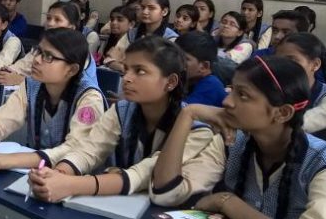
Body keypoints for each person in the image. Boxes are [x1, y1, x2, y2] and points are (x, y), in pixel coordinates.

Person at [151, 56, 326, 219]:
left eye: (243, 95)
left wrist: (226, 201)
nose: (226, 101)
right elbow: (166, 194)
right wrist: (188, 115)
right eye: (232, 90)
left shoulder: (323, 163)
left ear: (283, 113)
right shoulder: (232, 142)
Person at [27, 37, 216, 203]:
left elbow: (143, 173)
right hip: (123, 205)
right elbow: (89, 150)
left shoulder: (195, 130)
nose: (126, 78)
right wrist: (56, 174)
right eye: (126, 70)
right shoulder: (121, 110)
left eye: (140, 71)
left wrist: (71, 185)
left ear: (171, 82)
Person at [0, 28, 105, 173]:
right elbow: (4, 118)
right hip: (36, 172)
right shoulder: (31, 84)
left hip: (75, 181)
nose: (36, 60)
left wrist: (11, 160)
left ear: (72, 70)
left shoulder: (89, 97)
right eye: (38, 51)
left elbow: (76, 148)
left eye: (48, 56)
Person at [275, 33, 326, 141]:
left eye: (292, 60)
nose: (282, 66)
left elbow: (299, 125)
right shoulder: (270, 89)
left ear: (315, 64)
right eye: (278, 60)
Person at [175, 32, 227, 107]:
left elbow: (180, 114)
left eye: (184, 59)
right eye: (175, 54)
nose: (175, 60)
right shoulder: (188, 80)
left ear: (204, 66)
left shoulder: (211, 86)